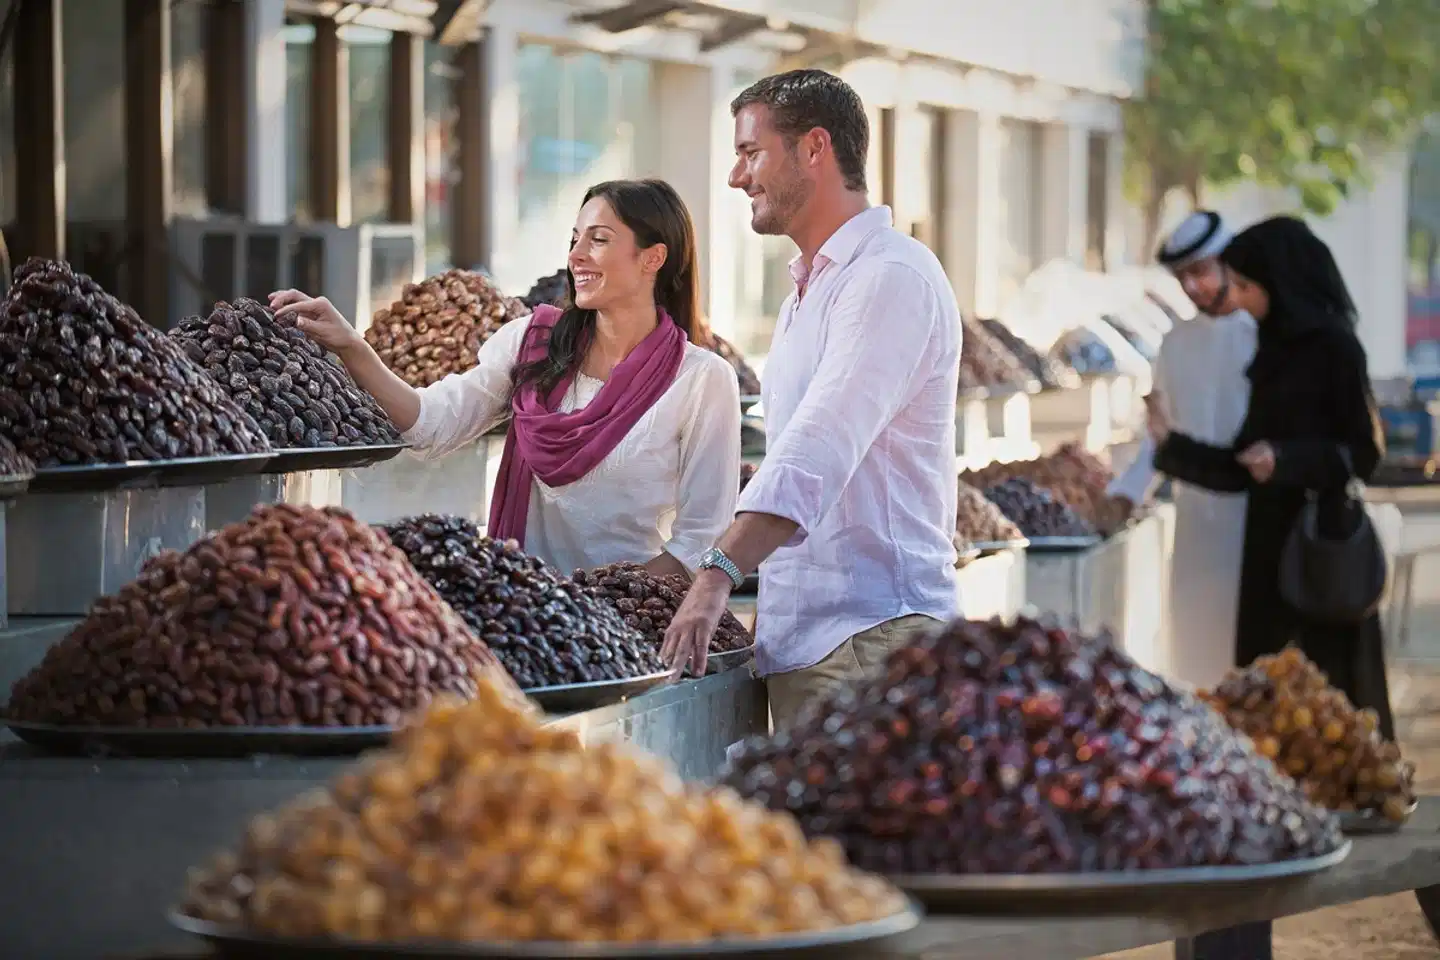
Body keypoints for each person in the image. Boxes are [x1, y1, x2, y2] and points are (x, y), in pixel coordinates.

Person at [660, 69, 961, 730]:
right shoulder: (812, 288)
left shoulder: (889, 277)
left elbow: (816, 447)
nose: (736, 177)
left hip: (871, 645)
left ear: (815, 148)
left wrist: (715, 574)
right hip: (818, 646)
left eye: (750, 153)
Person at [268, 178, 741, 577]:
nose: (576, 256)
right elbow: (429, 424)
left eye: (598, 240)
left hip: (625, 628)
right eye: (574, 239)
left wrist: (596, 607)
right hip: (525, 615)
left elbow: (699, 541)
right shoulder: (531, 344)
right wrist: (351, 346)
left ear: (652, 258)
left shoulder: (701, 380)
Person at [1148, 215, 1396, 741]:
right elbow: (1241, 465)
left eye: (1245, 285)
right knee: (1269, 709)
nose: (1236, 299)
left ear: (1279, 282)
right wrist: (1171, 446)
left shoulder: (1335, 347)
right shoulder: (1268, 348)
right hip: (1267, 552)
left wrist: (1287, 461)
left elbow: (1363, 454)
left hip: (1320, 550)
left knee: (1331, 709)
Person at [1107, 211, 1257, 690]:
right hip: (1195, 531)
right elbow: (1159, 438)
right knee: (1195, 665)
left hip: (1255, 526)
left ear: (1228, 263)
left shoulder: (1264, 337)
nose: (1191, 287)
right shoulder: (1175, 344)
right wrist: (1127, 493)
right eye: (1182, 277)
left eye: (1200, 271)